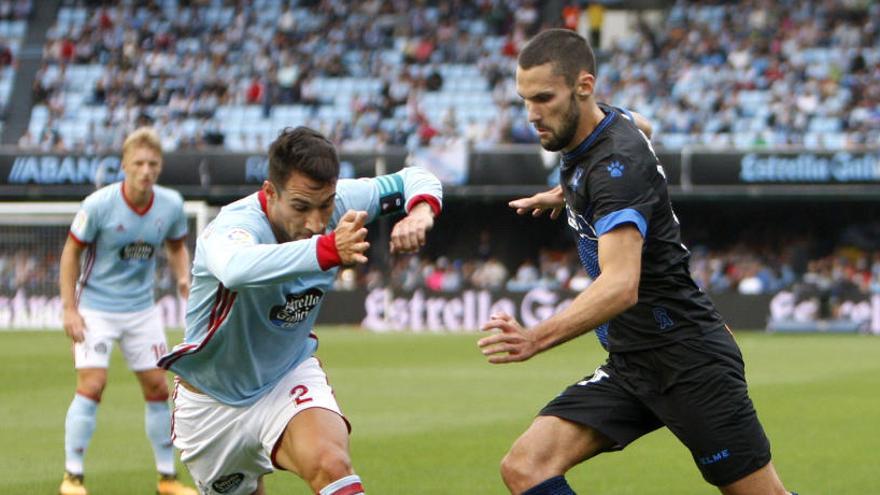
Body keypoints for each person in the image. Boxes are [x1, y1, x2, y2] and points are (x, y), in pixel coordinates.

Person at [477, 29, 796, 495]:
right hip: (633, 361)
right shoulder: (602, 128)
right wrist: (568, 196)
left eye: (544, 98)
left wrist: (535, 338)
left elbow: (621, 284)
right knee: (526, 466)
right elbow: (640, 125)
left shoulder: (613, 169)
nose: (532, 115)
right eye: (525, 100)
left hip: (689, 360)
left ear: (584, 86)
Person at [158, 126, 442, 495]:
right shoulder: (234, 226)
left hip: (286, 376)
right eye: (300, 207)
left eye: (325, 204)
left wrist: (420, 213)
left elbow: (415, 178)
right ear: (270, 193)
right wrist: (327, 250)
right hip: (211, 401)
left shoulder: (343, 204)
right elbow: (236, 268)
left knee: (330, 463)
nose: (315, 222)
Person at [59, 127, 196, 495]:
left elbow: (177, 246)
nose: (146, 170)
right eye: (138, 163)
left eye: (152, 163)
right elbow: (71, 253)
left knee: (157, 388)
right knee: (93, 384)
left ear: (160, 167)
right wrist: (69, 308)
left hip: (141, 310)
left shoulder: (170, 205)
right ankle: (73, 477)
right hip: (96, 309)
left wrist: (184, 276)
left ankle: (167, 479)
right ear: (124, 165)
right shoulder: (99, 205)